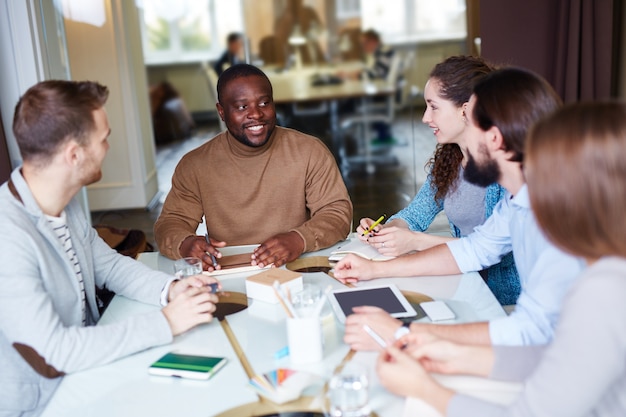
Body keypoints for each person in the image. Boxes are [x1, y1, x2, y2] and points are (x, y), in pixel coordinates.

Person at [376, 102, 626, 417]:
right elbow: (559, 357)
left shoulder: (604, 289)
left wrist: (424, 388)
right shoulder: (602, 268)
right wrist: (453, 356)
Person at [0, 80, 220, 414]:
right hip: (44, 401)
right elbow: (54, 353)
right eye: (103, 138)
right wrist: (166, 323)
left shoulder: (65, 202)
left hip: (91, 368)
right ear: (74, 155)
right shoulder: (7, 236)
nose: (107, 147)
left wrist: (173, 289)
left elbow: (110, 266)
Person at [334, 68, 584, 348]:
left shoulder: (556, 223)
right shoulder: (515, 203)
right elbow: (472, 250)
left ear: (494, 139)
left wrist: (405, 335)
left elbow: (531, 333)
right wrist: (373, 270)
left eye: (471, 124)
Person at [154, 64, 352, 271]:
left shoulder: (309, 150)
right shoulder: (195, 165)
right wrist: (185, 244)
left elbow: (336, 212)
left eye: (264, 103)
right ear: (221, 111)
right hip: (227, 272)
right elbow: (171, 222)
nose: (256, 114)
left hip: (297, 265)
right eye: (242, 107)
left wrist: (299, 239)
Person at [357, 55, 520, 305]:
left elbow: (493, 252)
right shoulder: (449, 159)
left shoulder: (507, 172)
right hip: (464, 283)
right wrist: (388, 231)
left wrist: (414, 242)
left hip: (503, 299)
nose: (425, 118)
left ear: (465, 110)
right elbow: (416, 215)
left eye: (433, 107)